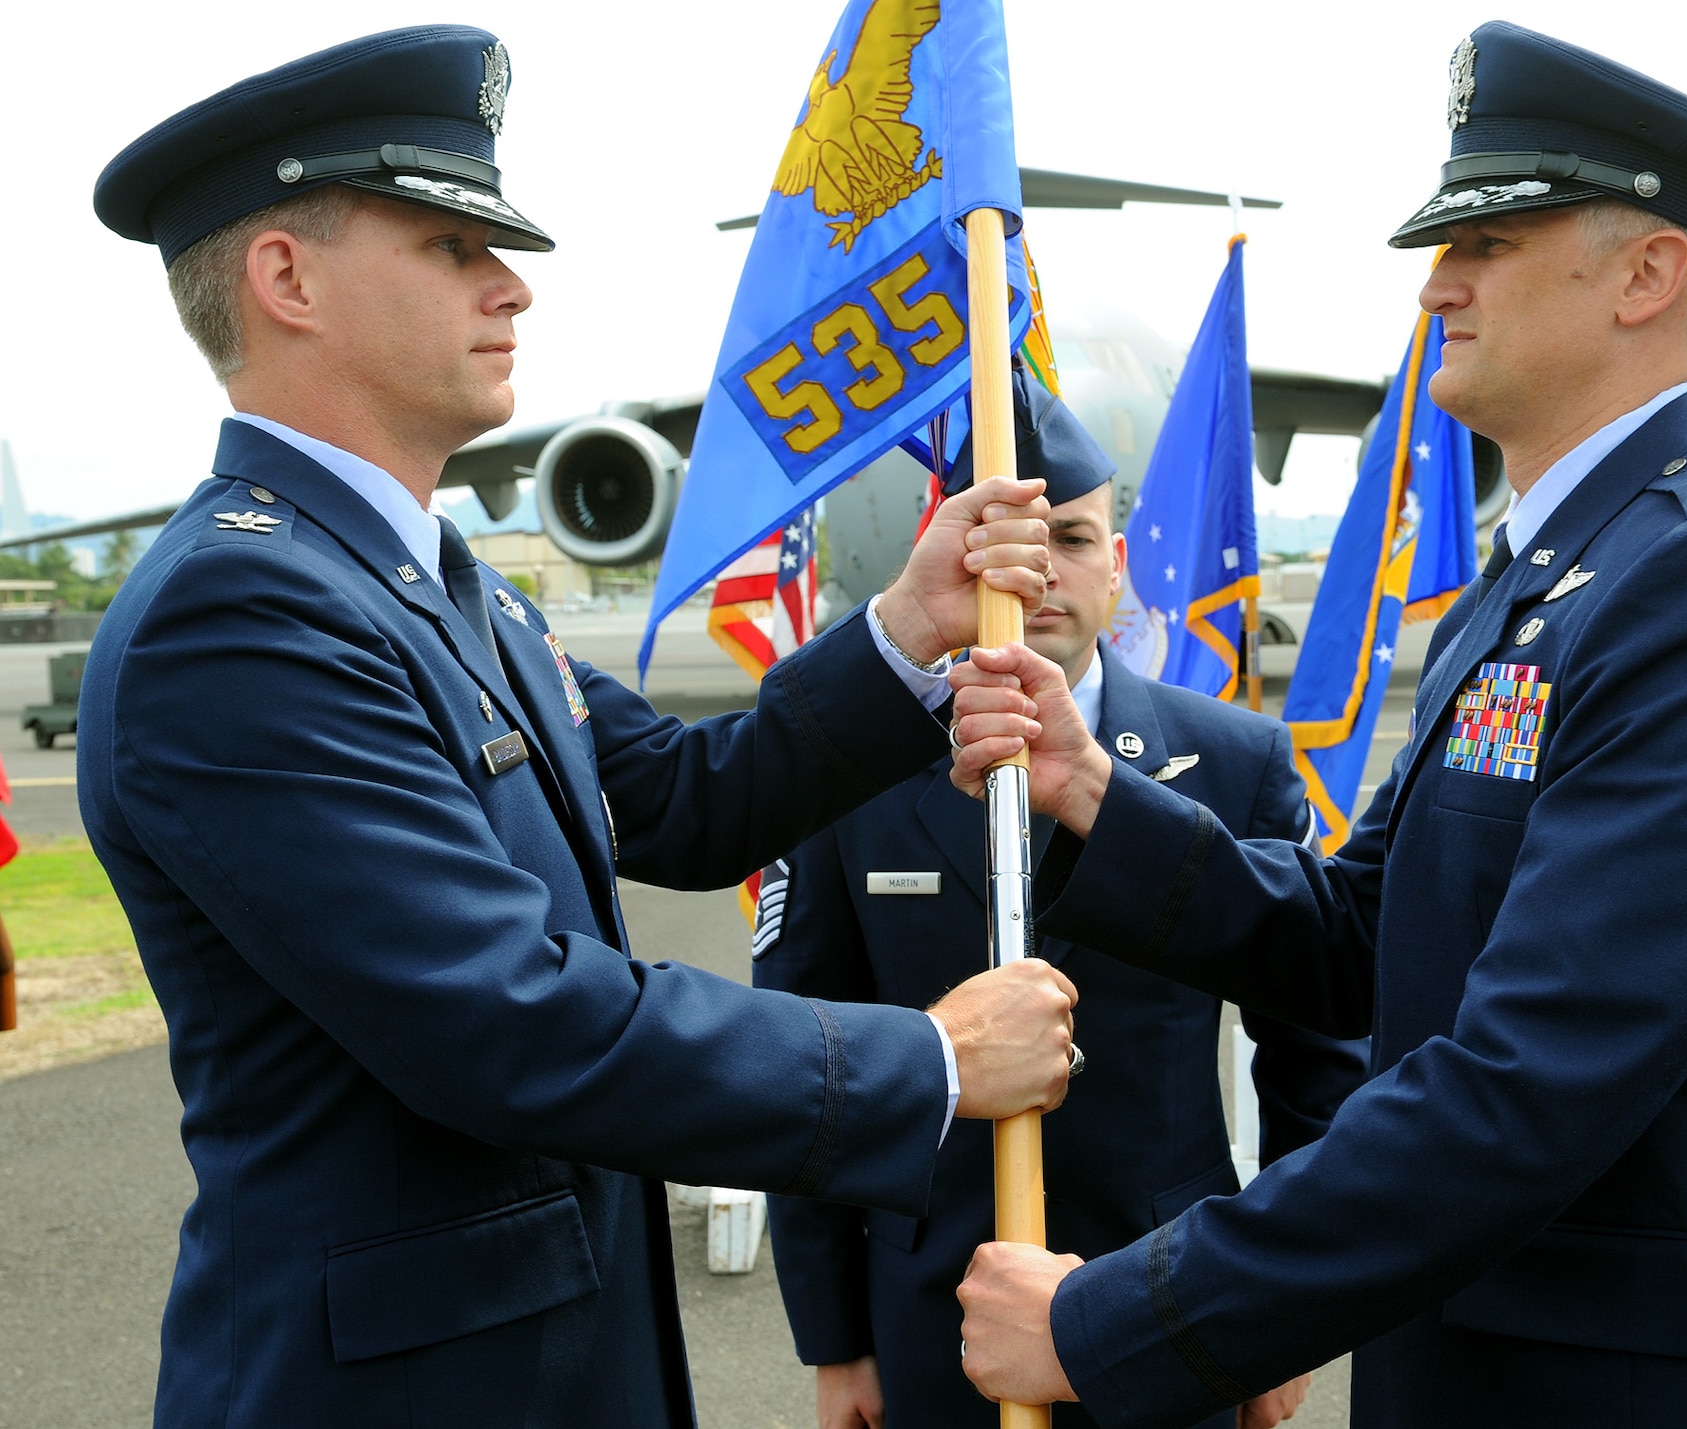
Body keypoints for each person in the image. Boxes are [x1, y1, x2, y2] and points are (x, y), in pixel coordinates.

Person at [950, 21, 1687, 1429]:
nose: (1439, 282)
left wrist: (1115, 1318)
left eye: (1492, 242)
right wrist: (1091, 794)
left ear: (1650, 275)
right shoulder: (1543, 575)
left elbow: (1530, 1081)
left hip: (1672, 1389)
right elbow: (1370, 934)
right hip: (1506, 1360)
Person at [83, 27, 1076, 1429]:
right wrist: (927, 1061)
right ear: (286, 276)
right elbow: (508, 1019)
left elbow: (680, 798)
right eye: (446, 244)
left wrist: (907, 627)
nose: (513, 285)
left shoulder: (432, 581)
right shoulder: (241, 611)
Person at [755, 373, 1364, 1429]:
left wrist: (1284, 1310)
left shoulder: (1231, 761)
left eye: (1072, 542)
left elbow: (1316, 1052)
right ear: (947, 554)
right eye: (1008, 546)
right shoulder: (846, 773)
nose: (1038, 577)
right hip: (928, 1319)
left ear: (1117, 567)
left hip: (1179, 1300)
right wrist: (834, 1339)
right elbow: (806, 1062)